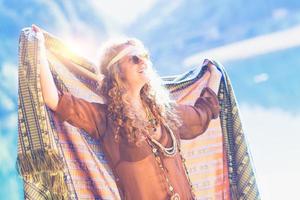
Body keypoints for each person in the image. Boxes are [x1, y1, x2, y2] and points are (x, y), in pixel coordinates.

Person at [32, 24, 222, 200]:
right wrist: (38, 48)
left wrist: (215, 75)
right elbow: (54, 100)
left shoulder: (164, 111)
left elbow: (201, 115)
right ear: (116, 70)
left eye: (145, 56)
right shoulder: (105, 120)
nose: (143, 62)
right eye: (134, 58)